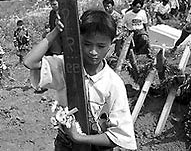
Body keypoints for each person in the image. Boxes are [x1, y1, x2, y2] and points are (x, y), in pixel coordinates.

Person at [24, 10, 137, 150]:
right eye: (87, 44)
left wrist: (79, 138)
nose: (93, 52)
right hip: (66, 144)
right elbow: (30, 62)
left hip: (97, 147)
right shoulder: (66, 67)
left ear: (111, 44)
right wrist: (56, 32)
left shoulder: (113, 84)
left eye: (101, 46)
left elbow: (119, 136)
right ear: (79, 39)